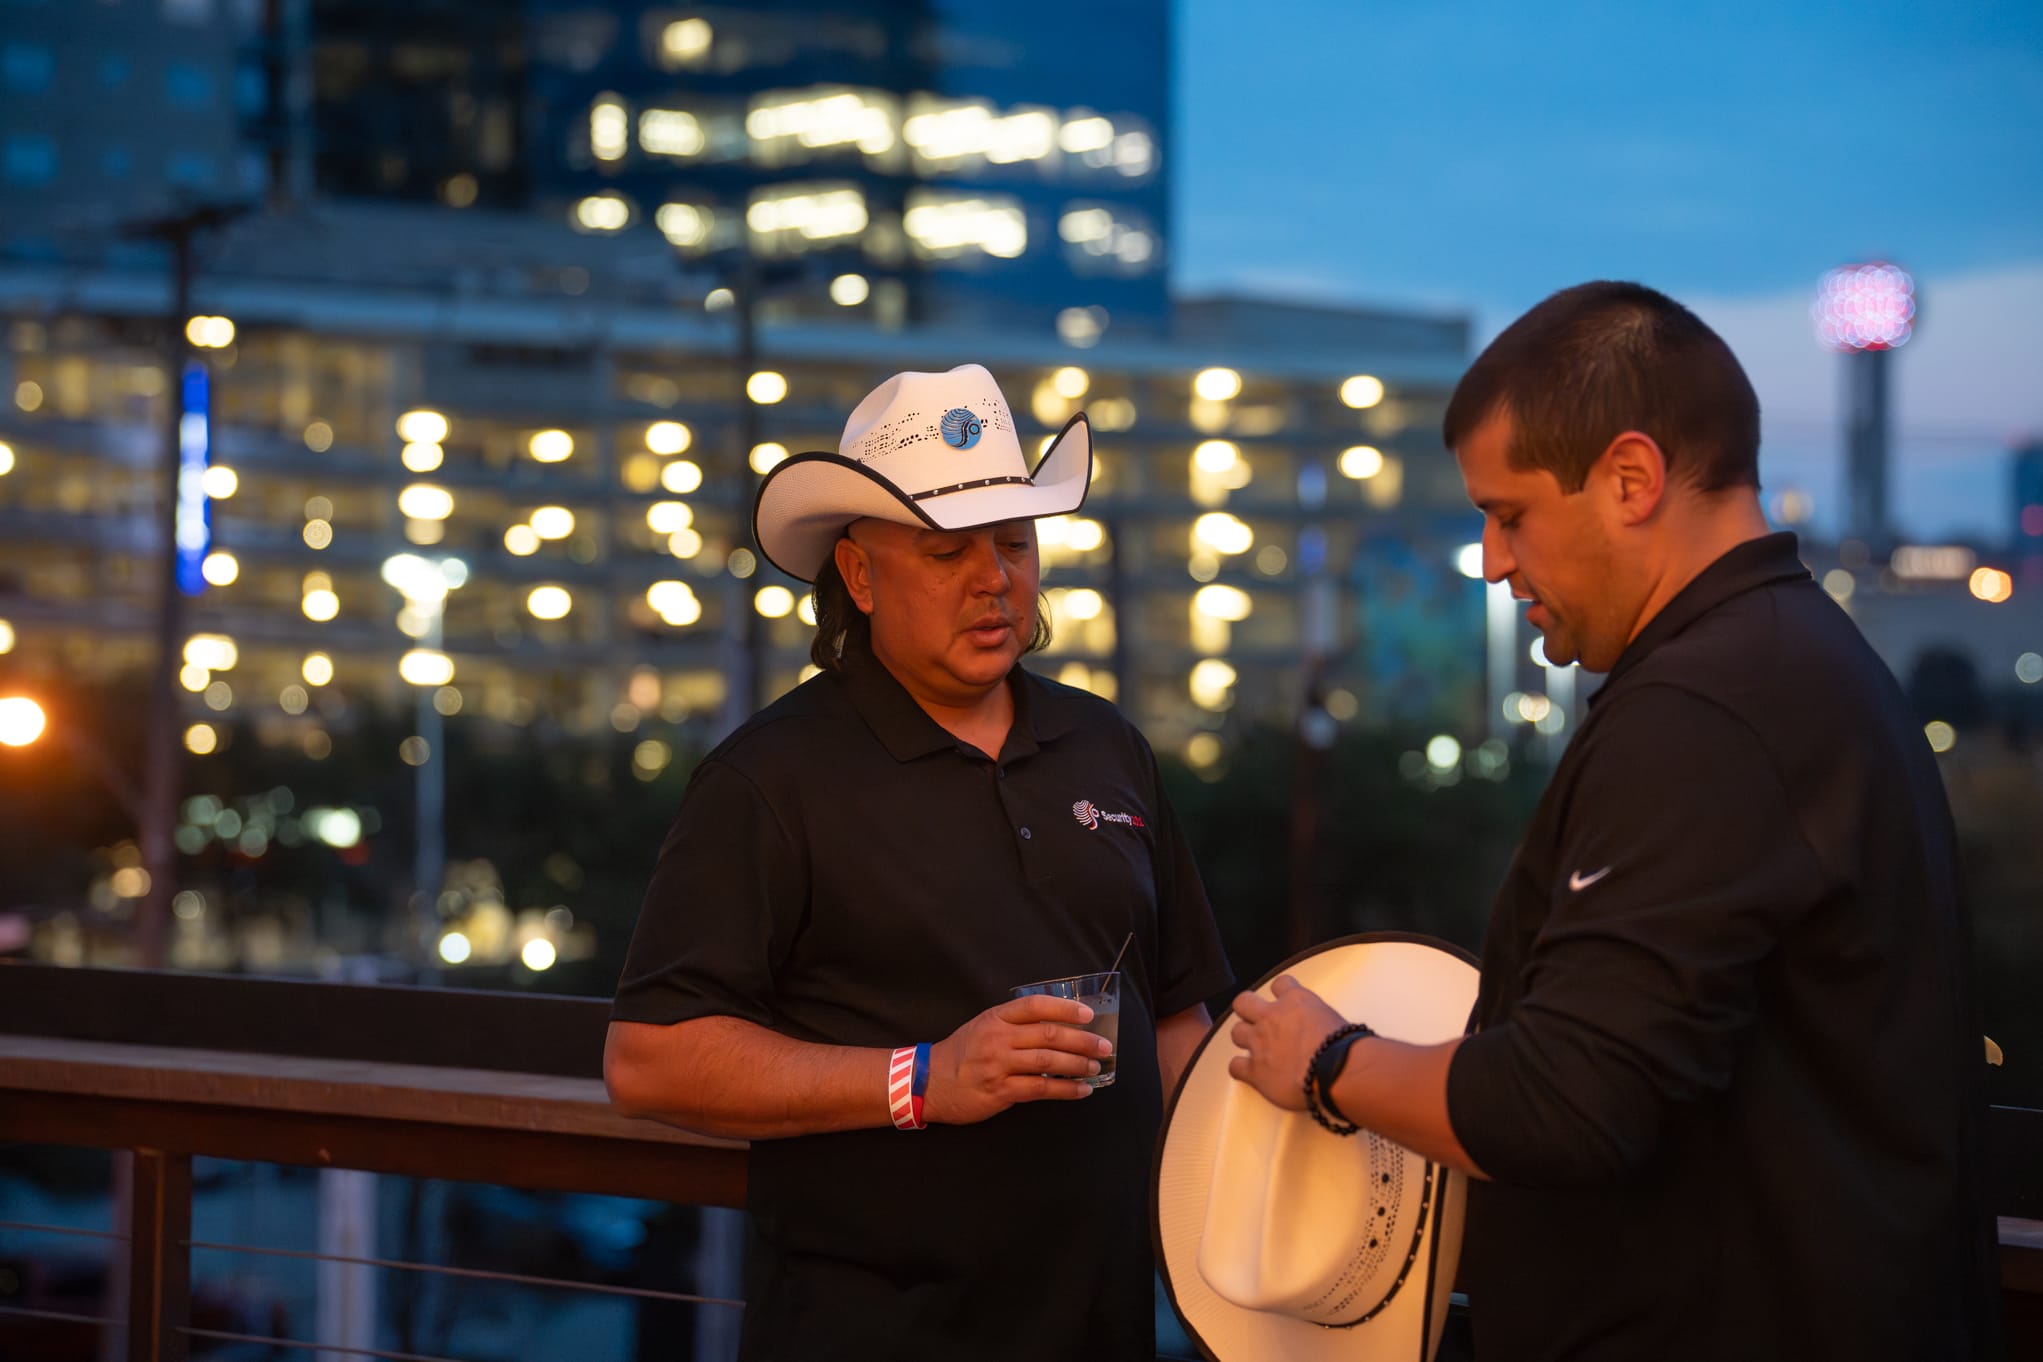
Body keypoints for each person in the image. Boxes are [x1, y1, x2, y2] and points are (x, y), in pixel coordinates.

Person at [1227, 282, 2000, 1361]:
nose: (1495, 562)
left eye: (1511, 515)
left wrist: (1331, 1063)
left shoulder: (1707, 709)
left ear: (1631, 478)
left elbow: (1571, 1102)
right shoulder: (1795, 659)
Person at [605, 364, 1232, 1361]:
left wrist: (1248, 1225)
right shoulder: (770, 778)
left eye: (1016, 543)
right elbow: (649, 1059)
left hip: (1105, 1325)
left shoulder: (1106, 746)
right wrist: (924, 1078)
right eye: (948, 552)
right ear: (859, 576)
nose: (996, 579)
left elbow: (1177, 1021)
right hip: (868, 1330)